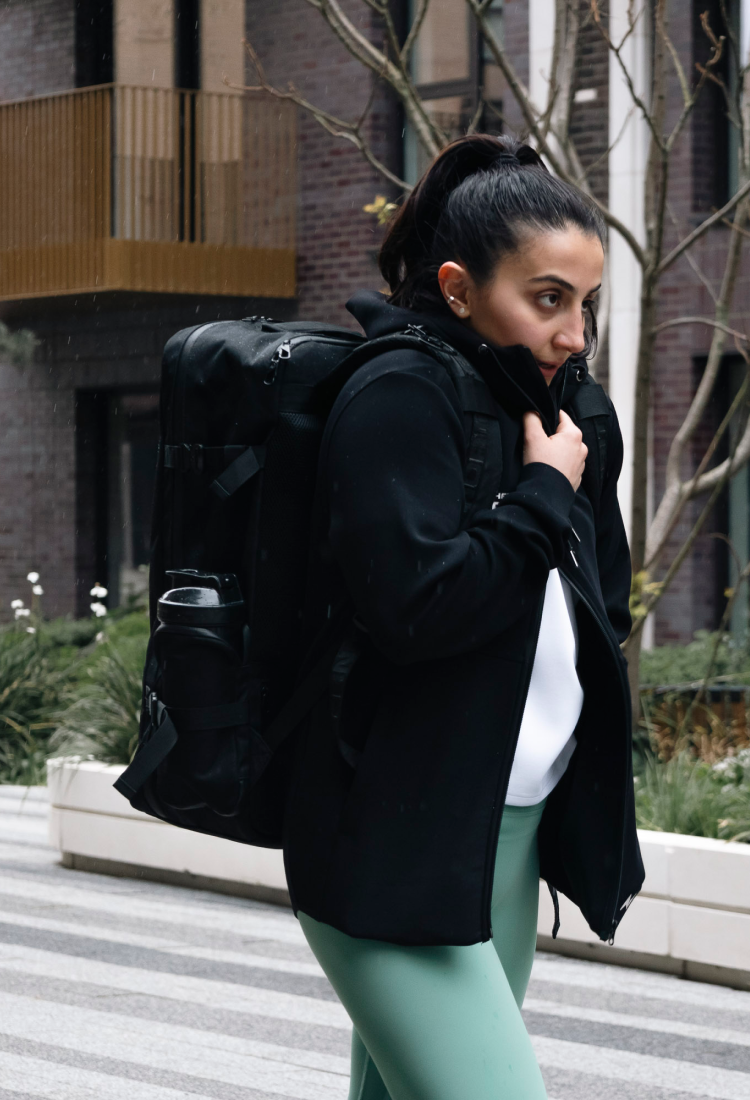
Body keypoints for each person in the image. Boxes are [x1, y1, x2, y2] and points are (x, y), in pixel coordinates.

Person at [282, 134, 644, 1100]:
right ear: (457, 287)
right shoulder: (398, 394)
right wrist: (536, 495)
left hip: (506, 831)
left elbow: (599, 593)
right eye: (548, 299)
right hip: (390, 841)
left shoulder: (573, 413)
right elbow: (417, 608)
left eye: (587, 303)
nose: (575, 333)